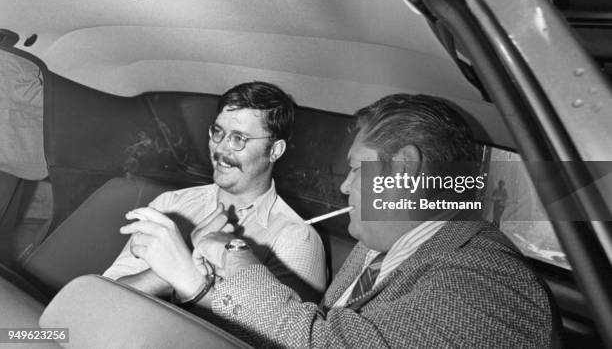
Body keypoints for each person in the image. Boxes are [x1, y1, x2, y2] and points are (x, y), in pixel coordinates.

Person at [170, 93, 557, 348]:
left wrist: (235, 255)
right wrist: (206, 287)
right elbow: (311, 333)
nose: (346, 188)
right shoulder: (374, 250)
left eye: (356, 168)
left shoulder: (487, 281)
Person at [104, 81, 326, 305]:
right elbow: (104, 297)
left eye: (239, 138)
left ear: (275, 151)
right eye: (218, 132)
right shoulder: (169, 205)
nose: (220, 148)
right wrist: (173, 269)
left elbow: (279, 335)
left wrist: (183, 270)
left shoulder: (296, 238)